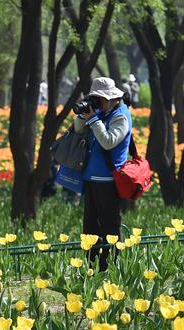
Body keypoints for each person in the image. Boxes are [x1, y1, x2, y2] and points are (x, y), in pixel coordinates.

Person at [73, 77, 132, 271]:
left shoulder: (121, 115)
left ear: (112, 98)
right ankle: (90, 266)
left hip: (108, 180)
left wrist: (93, 119)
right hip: (91, 178)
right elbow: (77, 130)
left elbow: (109, 141)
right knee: (90, 227)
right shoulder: (100, 112)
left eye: (99, 99)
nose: (97, 102)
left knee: (109, 227)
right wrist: (83, 115)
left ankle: (111, 267)